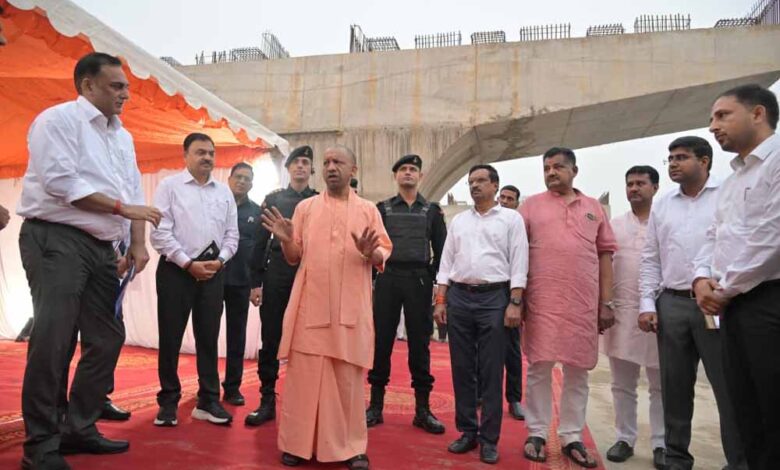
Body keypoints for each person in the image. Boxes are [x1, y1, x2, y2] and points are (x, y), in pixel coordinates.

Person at [16, 52, 161, 470]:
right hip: (56, 237)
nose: (125, 95)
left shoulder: (123, 137)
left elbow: (133, 194)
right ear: (87, 85)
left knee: (108, 337)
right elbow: (61, 183)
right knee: (54, 341)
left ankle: (78, 427)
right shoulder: (57, 120)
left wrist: (137, 243)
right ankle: (41, 447)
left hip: (102, 247)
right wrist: (121, 209)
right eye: (117, 86)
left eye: (126, 87)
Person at [261, 145, 391, 469]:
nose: (331, 167)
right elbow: (294, 257)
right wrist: (286, 240)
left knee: (347, 382)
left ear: (353, 170)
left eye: (338, 162)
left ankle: (351, 447)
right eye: (327, 162)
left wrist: (369, 252)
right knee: (304, 380)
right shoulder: (305, 208)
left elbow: (383, 253)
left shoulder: (368, 210)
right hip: (311, 307)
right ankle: (297, 444)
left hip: (350, 312)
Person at [639, 136, 745, 470]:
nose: (673, 163)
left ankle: (739, 460)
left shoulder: (728, 193)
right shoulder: (663, 205)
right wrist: (647, 303)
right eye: (670, 158)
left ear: (704, 161)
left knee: (729, 387)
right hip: (672, 304)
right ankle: (676, 458)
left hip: (718, 304)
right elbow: (651, 257)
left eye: (681, 157)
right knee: (674, 387)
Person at [693, 84, 780, 470]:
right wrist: (701, 280)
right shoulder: (733, 182)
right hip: (734, 305)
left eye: (722, 115)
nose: (713, 126)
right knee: (746, 409)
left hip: (769, 301)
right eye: (712, 117)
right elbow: (714, 236)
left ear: (758, 114)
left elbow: (772, 237)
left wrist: (724, 288)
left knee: (773, 408)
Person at [520, 147, 617, 468]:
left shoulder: (593, 208)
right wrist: (518, 299)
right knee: (539, 368)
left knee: (578, 371)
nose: (551, 172)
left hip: (582, 303)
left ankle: (572, 436)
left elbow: (605, 255)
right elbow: (517, 255)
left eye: (558, 166)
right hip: (541, 302)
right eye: (546, 167)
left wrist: (606, 302)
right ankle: (536, 432)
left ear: (574, 171)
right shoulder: (530, 206)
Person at [433, 164, 529, 465]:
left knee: (491, 370)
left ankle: (489, 439)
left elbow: (519, 262)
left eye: (481, 181)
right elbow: (446, 263)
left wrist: (515, 302)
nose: (474, 186)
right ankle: (467, 432)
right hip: (459, 298)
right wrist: (441, 300)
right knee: (462, 369)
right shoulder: (459, 221)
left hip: (495, 299)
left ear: (495, 185)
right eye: (471, 182)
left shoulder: (511, 219)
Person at [150, 133, 239, 427]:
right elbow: (160, 233)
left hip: (213, 272)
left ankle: (209, 400)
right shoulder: (169, 186)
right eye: (200, 152)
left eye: (211, 153)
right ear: (185, 155)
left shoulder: (224, 192)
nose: (207, 158)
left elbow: (232, 235)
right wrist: (187, 263)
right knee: (170, 338)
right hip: (176, 272)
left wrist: (221, 260)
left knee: (209, 338)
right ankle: (168, 402)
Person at [366, 154, 447, 434]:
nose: (408, 173)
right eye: (403, 169)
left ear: (420, 176)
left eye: (413, 169)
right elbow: (373, 246)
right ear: (396, 175)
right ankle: (375, 406)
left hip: (419, 281)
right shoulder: (383, 209)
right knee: (382, 342)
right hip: (388, 279)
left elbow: (442, 251)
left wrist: (431, 278)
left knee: (420, 344)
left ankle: (422, 410)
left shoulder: (432, 211)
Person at [244, 145, 317, 426]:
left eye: (305, 163)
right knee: (271, 336)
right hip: (276, 274)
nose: (300, 167)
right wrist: (256, 282)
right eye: (296, 162)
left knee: (308, 340)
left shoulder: (318, 200)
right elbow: (259, 242)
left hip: (307, 275)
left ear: (311, 170)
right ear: (288, 169)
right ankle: (267, 400)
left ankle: (303, 403)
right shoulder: (273, 199)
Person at [601, 166, 665, 468]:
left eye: (641, 183)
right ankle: (624, 438)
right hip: (622, 314)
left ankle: (662, 444)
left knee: (661, 386)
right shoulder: (614, 225)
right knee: (622, 384)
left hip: (658, 314)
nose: (634, 188)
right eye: (630, 184)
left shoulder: (664, 221)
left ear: (655, 187)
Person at [220, 162, 263, 406]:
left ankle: (232, 387)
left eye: (247, 178)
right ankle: (207, 385)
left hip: (241, 283)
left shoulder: (257, 212)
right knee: (207, 334)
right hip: (212, 279)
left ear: (252, 184)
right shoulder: (216, 206)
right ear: (229, 179)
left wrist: (256, 284)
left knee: (237, 336)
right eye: (238, 177)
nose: (242, 181)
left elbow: (259, 252)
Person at [495, 184, 525, 420]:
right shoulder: (487, 222)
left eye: (510, 198)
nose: (504, 201)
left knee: (512, 350)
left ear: (517, 203)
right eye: (502, 197)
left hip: (510, 292)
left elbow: (520, 263)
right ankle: (480, 395)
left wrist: (516, 300)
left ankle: (514, 399)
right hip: (487, 293)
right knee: (481, 349)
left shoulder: (518, 224)